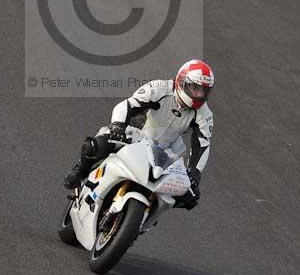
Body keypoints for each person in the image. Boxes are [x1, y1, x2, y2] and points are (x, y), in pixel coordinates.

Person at [63, 59, 215, 210]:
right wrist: (117, 126)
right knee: (94, 146)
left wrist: (195, 171)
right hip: (133, 136)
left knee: (191, 196)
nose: (198, 94)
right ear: (182, 82)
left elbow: (203, 144)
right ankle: (80, 169)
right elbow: (128, 105)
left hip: (164, 154)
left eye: (203, 91)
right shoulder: (159, 89)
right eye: (195, 88)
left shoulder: (204, 114)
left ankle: (147, 218)